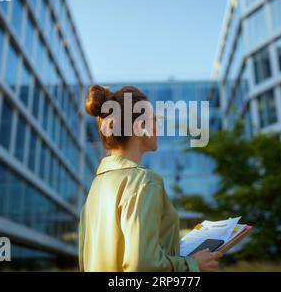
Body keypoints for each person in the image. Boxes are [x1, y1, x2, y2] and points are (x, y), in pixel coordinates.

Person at [78, 84, 222, 272]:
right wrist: (193, 265)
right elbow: (142, 264)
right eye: (154, 119)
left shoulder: (96, 189)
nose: (158, 126)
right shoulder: (144, 182)